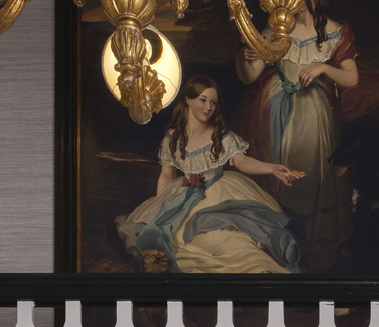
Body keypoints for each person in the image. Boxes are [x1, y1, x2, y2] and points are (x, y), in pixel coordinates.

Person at [117, 75, 303, 275]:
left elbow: (241, 161)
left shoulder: (221, 135)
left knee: (227, 238)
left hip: (218, 193)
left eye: (213, 102)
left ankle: (256, 269)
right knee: (175, 240)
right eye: (203, 100)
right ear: (188, 100)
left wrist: (272, 169)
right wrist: (159, 205)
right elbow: (166, 175)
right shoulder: (172, 138)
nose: (208, 107)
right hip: (182, 195)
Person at [234, 0, 359, 272]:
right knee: (277, 178)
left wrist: (325, 67)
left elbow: (352, 78)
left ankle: (312, 257)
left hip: (313, 116)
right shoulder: (277, 29)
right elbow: (249, 76)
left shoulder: (334, 30)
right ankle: (282, 253)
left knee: (310, 180)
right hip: (272, 112)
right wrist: (245, 55)